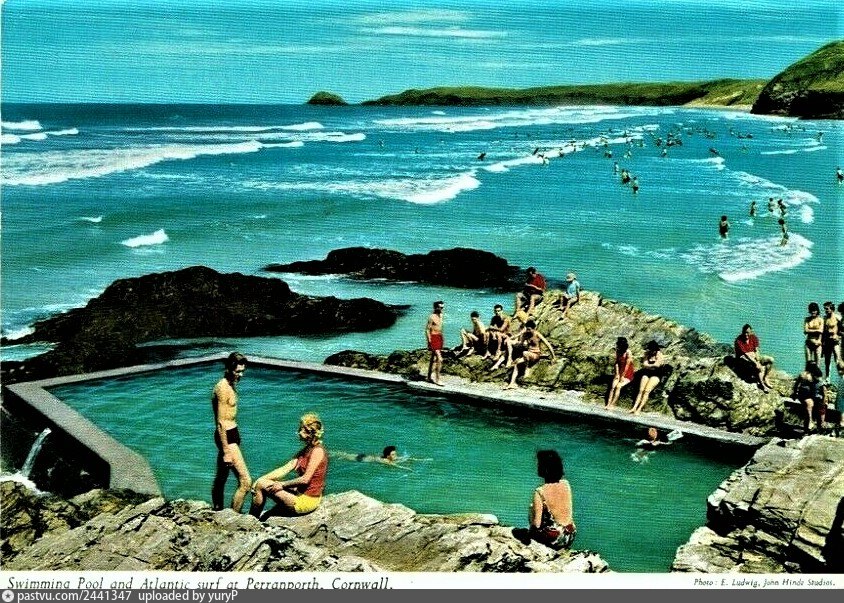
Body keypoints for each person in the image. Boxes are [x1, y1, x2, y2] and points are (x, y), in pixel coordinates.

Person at [250, 413, 328, 519]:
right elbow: (285, 468)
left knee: (261, 485)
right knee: (261, 482)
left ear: (310, 433)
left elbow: (305, 479)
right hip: (300, 494)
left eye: (301, 429)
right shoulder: (306, 450)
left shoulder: (317, 451)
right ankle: (254, 518)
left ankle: (252, 519)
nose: (298, 432)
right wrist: (260, 479)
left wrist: (282, 485)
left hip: (307, 501)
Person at [211, 352, 252, 513]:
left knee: (221, 478)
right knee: (246, 482)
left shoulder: (231, 384)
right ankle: (233, 516)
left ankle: (217, 510)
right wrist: (226, 451)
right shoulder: (222, 388)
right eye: (237, 371)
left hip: (232, 433)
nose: (240, 375)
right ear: (229, 368)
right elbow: (221, 422)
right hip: (226, 436)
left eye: (243, 371)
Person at [512, 450, 576, 550]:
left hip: (555, 538)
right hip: (570, 534)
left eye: (539, 464)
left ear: (544, 468)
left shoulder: (540, 491)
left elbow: (536, 524)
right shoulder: (566, 484)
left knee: (532, 507)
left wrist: (528, 535)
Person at [504, 319, 556, 389]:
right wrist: (511, 342)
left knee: (525, 353)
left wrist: (553, 357)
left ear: (533, 329)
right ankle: (512, 383)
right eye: (527, 329)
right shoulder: (525, 334)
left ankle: (527, 368)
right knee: (517, 364)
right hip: (527, 355)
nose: (528, 331)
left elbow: (548, 345)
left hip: (535, 355)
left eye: (529, 329)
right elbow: (521, 344)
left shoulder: (537, 334)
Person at [733, 324, 774, 392]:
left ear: (751, 332)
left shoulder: (753, 337)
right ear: (742, 332)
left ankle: (765, 377)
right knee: (758, 367)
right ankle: (762, 385)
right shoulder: (738, 340)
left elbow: (756, 350)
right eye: (744, 332)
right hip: (743, 358)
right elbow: (746, 355)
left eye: (748, 333)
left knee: (771, 360)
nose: (746, 334)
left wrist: (757, 358)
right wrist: (756, 363)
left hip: (753, 355)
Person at [630, 340, 666, 414]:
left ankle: (639, 409)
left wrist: (649, 366)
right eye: (651, 350)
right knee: (641, 390)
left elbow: (657, 365)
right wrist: (651, 366)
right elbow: (644, 364)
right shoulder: (647, 353)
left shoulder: (659, 355)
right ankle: (634, 408)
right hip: (647, 373)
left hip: (656, 374)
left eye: (653, 350)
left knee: (646, 391)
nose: (652, 351)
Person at [791, 362, 826, 434]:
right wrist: (794, 393)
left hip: (813, 395)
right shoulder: (804, 375)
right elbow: (796, 385)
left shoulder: (816, 374)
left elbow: (822, 387)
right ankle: (810, 422)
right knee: (809, 404)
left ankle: (817, 427)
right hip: (805, 395)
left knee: (818, 408)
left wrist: (824, 398)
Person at [606, 336, 635, 409]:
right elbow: (616, 363)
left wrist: (622, 376)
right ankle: (608, 403)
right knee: (613, 387)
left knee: (618, 386)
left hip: (627, 373)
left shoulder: (628, 352)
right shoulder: (618, 351)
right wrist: (617, 374)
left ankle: (613, 404)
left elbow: (627, 366)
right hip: (619, 371)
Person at [426, 300, 445, 386]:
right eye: (440, 307)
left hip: (439, 337)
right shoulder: (431, 317)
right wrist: (429, 341)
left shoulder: (441, 315)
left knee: (433, 358)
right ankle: (438, 380)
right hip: (433, 338)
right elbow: (427, 329)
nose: (442, 309)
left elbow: (439, 326)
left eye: (443, 307)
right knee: (440, 359)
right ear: (436, 307)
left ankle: (428, 377)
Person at [821, 301, 842, 378]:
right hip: (827, 341)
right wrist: (822, 343)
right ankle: (827, 378)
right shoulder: (824, 318)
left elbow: (842, 327)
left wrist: (839, 336)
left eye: (827, 309)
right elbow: (823, 332)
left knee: (838, 359)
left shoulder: (837, 317)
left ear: (831, 308)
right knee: (827, 361)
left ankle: (842, 376)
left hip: (835, 341)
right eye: (825, 309)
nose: (826, 310)